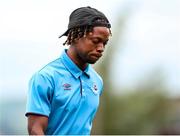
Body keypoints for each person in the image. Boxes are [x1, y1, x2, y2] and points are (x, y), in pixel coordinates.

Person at [25, 6, 111, 135]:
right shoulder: (46, 77)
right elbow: (35, 130)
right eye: (96, 41)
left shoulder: (97, 81)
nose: (101, 48)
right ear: (76, 36)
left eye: (104, 43)